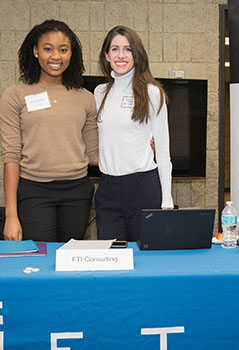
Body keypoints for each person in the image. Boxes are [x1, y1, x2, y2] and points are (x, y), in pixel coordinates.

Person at [0, 20, 98, 242]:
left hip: (77, 192)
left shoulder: (86, 98)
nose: (56, 56)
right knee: (41, 262)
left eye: (63, 50)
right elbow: (11, 157)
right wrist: (11, 216)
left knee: (69, 262)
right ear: (35, 51)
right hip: (34, 192)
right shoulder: (15, 94)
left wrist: (138, 149)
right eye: (48, 49)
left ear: (72, 54)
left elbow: (94, 156)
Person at [94, 25, 174, 242]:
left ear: (137, 55)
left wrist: (166, 200)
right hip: (107, 190)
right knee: (111, 259)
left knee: (147, 260)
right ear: (106, 55)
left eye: (128, 49)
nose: (121, 55)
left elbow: (164, 152)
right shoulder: (99, 92)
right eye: (115, 49)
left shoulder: (152, 92)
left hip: (143, 188)